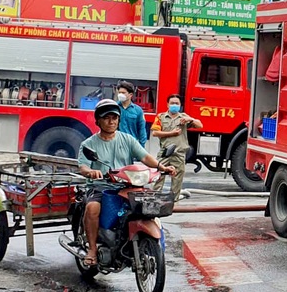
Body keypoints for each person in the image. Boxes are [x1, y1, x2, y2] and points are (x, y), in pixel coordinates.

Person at [77, 99, 175, 267]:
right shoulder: (89, 144)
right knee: (92, 208)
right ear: (98, 120)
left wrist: (162, 167)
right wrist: (91, 172)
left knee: (148, 206)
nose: (111, 121)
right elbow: (83, 166)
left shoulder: (128, 139)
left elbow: (144, 157)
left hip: (127, 185)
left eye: (114, 117)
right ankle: (92, 249)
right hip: (102, 186)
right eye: (106, 117)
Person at [151, 94, 202, 202]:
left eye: (177, 103)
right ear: (167, 104)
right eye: (172, 103)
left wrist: (190, 119)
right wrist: (171, 133)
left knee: (177, 178)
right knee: (158, 175)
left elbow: (200, 125)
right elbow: (155, 133)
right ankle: (154, 198)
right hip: (165, 152)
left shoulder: (183, 117)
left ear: (180, 105)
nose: (174, 105)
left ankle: (173, 200)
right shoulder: (161, 117)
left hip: (179, 153)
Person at [115, 81, 147, 147]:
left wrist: (141, 147)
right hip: (116, 144)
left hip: (132, 145)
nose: (120, 95)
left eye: (123, 93)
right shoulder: (114, 107)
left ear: (130, 95)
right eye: (119, 92)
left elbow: (142, 129)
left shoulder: (138, 110)